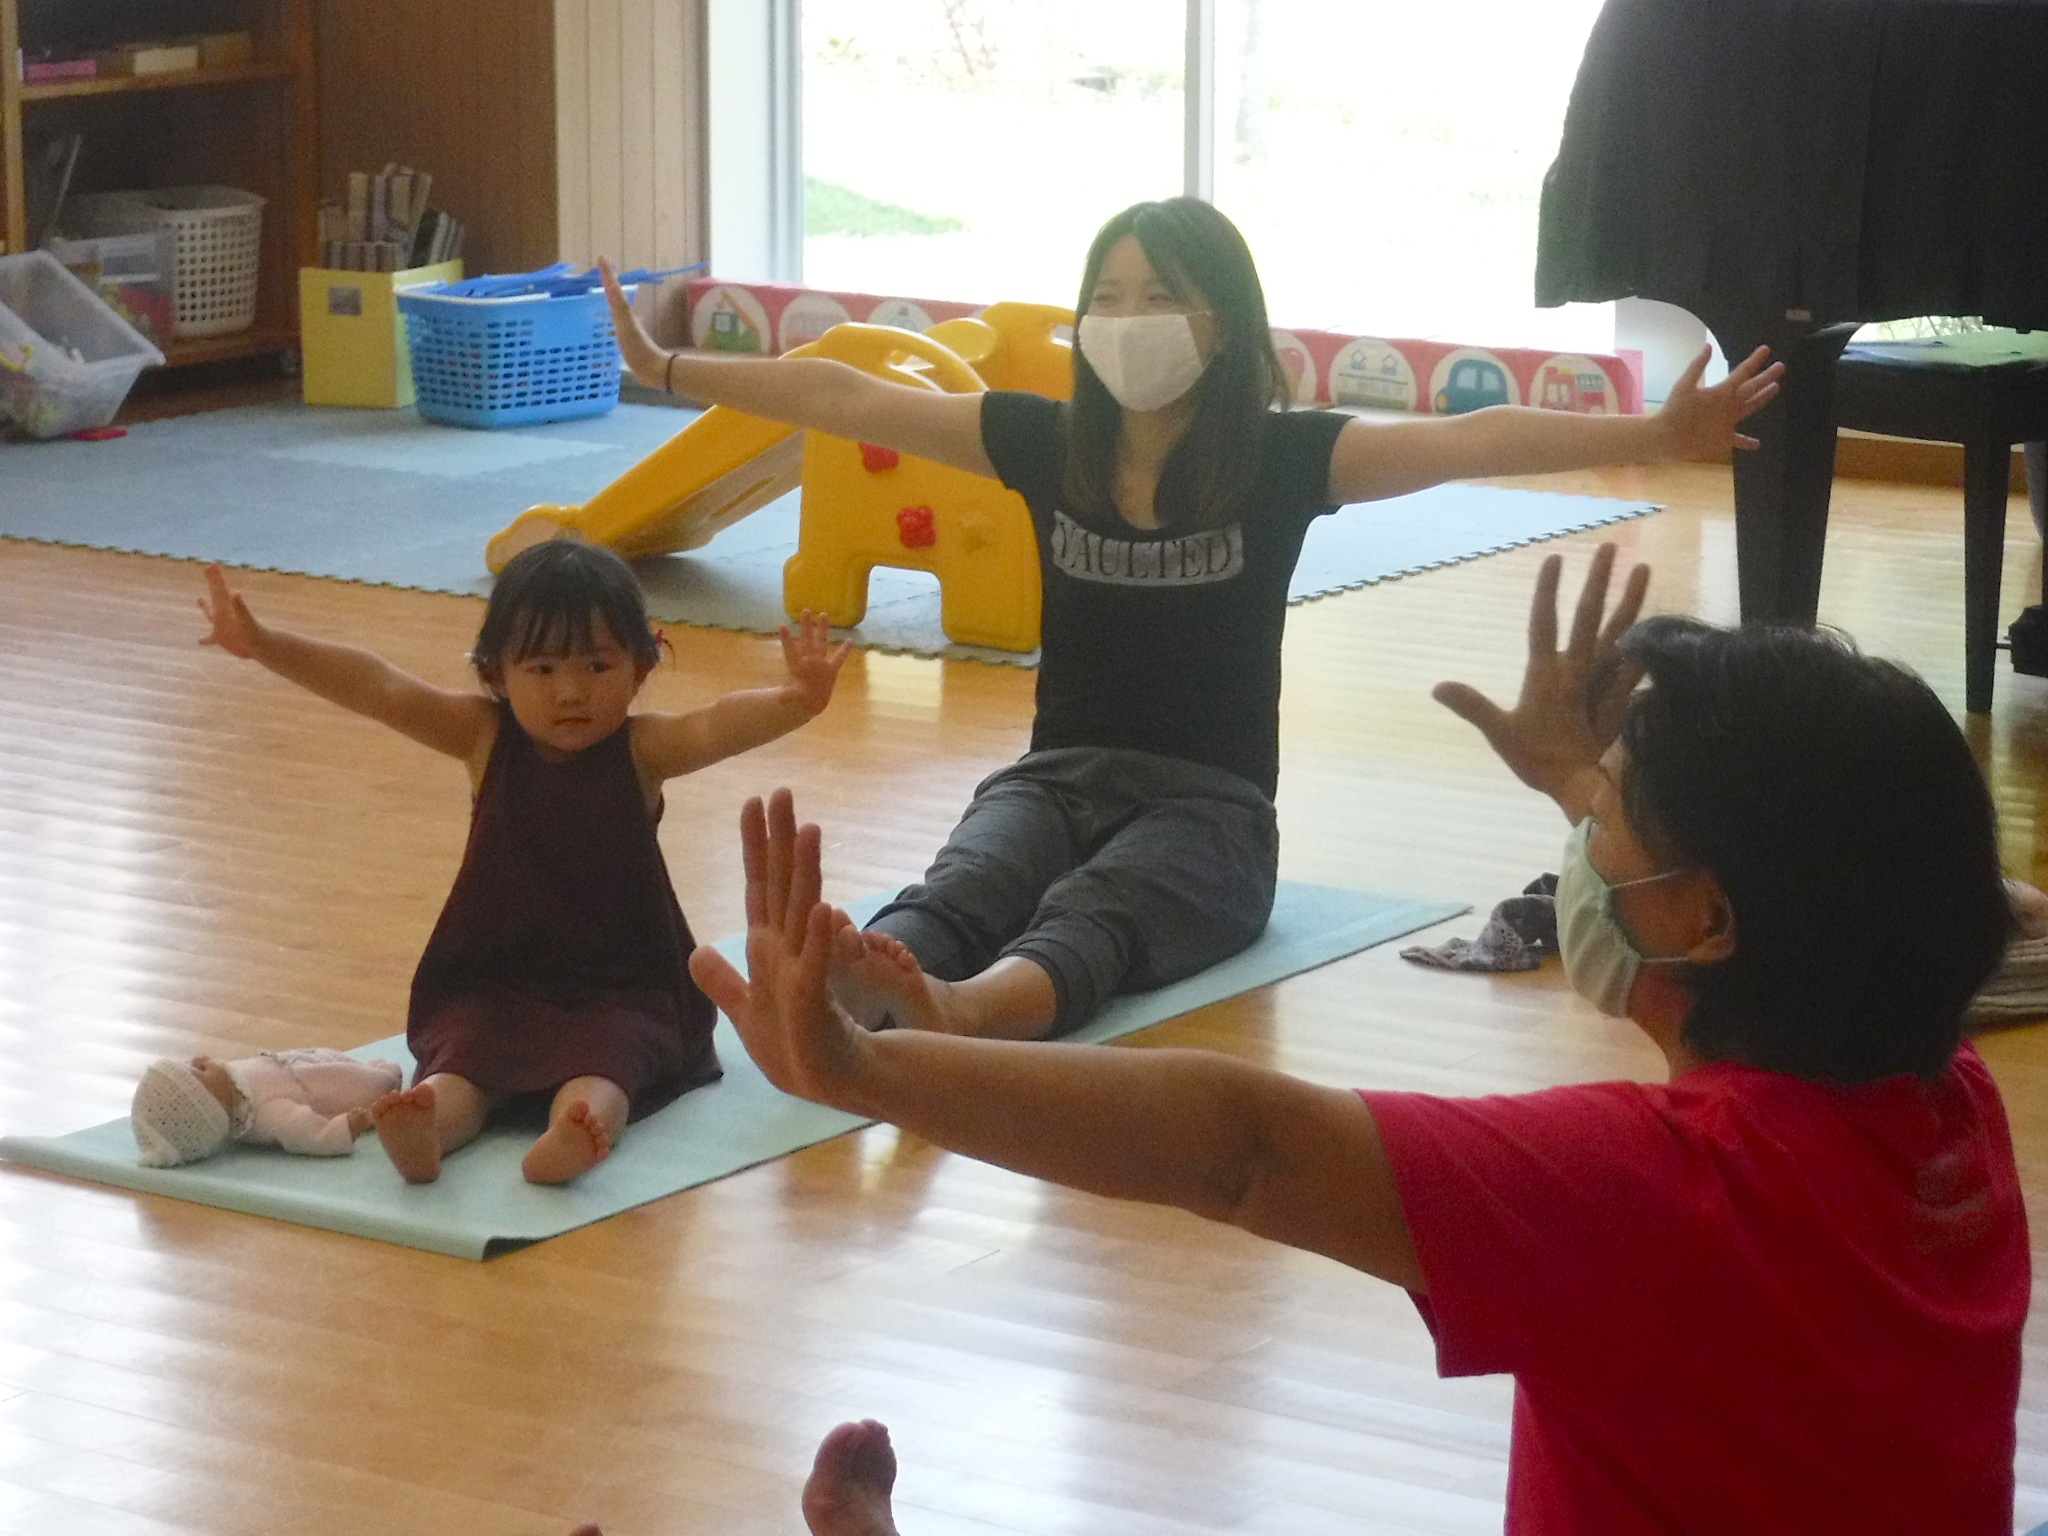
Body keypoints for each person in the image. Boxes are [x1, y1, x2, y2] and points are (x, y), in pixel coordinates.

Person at [686, 546, 2028, 1532]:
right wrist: (1584, 778)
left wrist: (870, 1070)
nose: (1580, 837)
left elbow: (1242, 1148)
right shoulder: (1945, 1104)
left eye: (1608, 813)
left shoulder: (1668, 1192)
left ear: (1710, 916)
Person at [600, 197, 1783, 1042]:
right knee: (973, 878)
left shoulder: (1279, 459)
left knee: (1097, 914)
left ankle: (956, 1013)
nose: (1127, 318)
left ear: (1220, 323)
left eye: (1159, 296)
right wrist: (666, 365)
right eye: (1106, 298)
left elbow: (1468, 439)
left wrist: (1648, 432)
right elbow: (841, 392)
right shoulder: (1045, 442)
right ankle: (860, 983)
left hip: (1211, 813)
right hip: (1052, 778)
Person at [197, 542, 848, 1184]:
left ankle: (578, 1129)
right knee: (464, 1058)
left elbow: (714, 725)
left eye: (598, 665)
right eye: (542, 669)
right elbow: (381, 688)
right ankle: (430, 1126)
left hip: (621, 987)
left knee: (612, 1059)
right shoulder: (484, 737)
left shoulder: (642, 750)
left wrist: (796, 699)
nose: (571, 691)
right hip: (495, 980)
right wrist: (264, 644)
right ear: (497, 676)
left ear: (641, 667)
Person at [130, 1049, 403, 1167]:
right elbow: (303, 1131)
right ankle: (387, 1075)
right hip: (331, 1089)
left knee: (338, 1061)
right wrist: (342, 1129)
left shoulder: (230, 1082)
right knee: (376, 1085)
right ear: (212, 1107)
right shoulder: (263, 1114)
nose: (199, 1059)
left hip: (307, 1064)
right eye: (198, 1071)